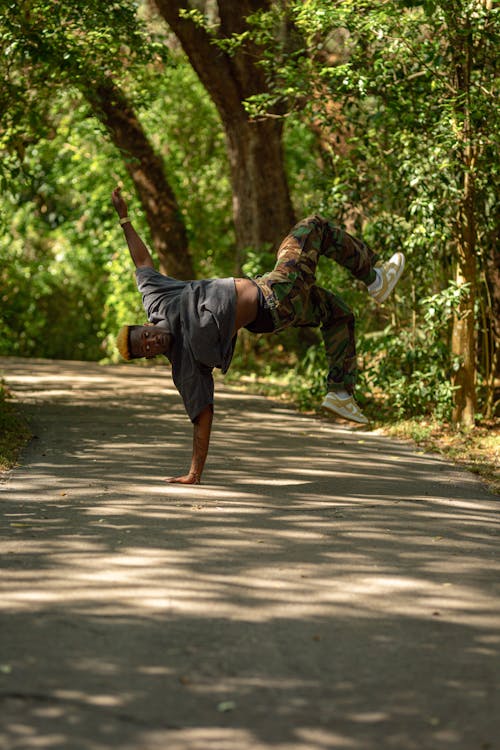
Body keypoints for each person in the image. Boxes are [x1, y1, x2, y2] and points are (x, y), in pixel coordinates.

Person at [111, 186, 404, 484]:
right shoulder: (184, 364)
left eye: (144, 337)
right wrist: (194, 473)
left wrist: (124, 218)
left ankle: (340, 391)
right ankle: (375, 277)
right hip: (276, 297)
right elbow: (202, 416)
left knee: (339, 314)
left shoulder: (158, 300)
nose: (151, 343)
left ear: (145, 325)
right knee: (314, 226)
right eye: (145, 350)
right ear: (148, 356)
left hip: (270, 296)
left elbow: (142, 262)